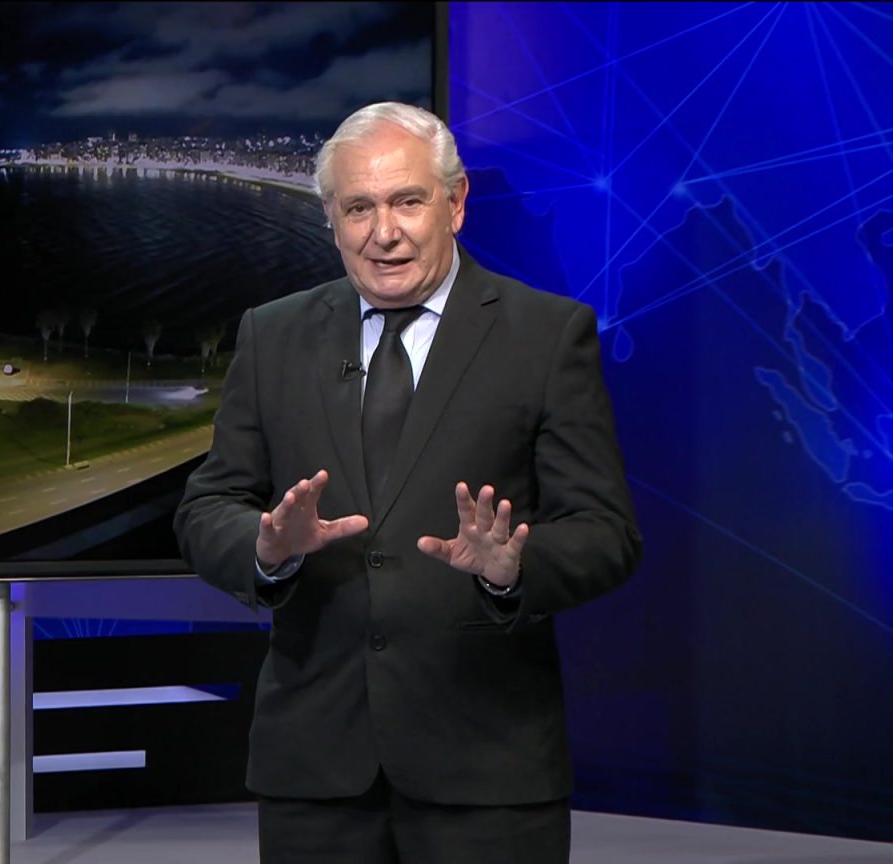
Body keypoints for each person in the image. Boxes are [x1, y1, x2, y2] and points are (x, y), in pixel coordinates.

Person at [173, 102, 642, 863]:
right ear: (331, 218)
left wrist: (513, 568)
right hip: (315, 765)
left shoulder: (546, 336)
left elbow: (607, 532)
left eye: (407, 201)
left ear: (455, 203)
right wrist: (265, 550)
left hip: (486, 765)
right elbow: (207, 507)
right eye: (358, 207)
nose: (383, 232)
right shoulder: (272, 334)